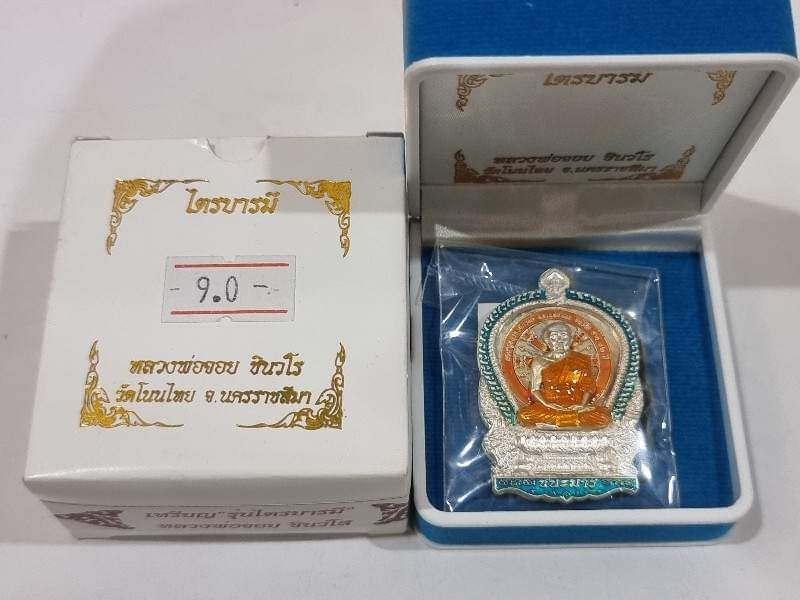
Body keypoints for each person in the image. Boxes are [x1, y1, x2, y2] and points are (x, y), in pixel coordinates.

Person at [516, 321, 612, 429]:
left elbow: (588, 387)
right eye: (554, 337)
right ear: (547, 341)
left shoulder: (582, 359)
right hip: (550, 407)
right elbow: (535, 389)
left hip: (576, 405)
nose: (559, 340)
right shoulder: (539, 362)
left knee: (604, 417)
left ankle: (556, 423)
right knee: (524, 415)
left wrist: (582, 405)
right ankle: (572, 421)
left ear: (570, 339)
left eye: (564, 336)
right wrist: (547, 404)